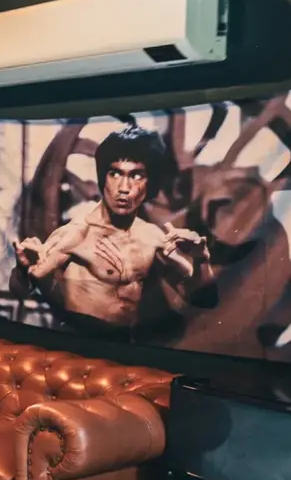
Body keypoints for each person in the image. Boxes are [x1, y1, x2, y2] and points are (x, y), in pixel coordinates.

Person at [12, 126, 212, 333]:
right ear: (102, 179)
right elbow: (20, 291)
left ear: (148, 183)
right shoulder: (76, 233)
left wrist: (201, 260)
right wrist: (22, 270)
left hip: (125, 346)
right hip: (81, 346)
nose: (123, 188)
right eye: (115, 173)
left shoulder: (151, 236)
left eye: (136, 176)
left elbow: (204, 299)